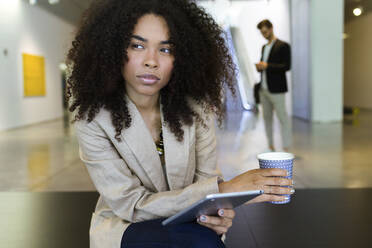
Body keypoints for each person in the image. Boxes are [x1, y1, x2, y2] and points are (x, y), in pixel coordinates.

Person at [66, 1, 294, 247]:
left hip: (190, 223)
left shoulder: (197, 109)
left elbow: (207, 183)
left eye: (165, 49)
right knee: (199, 241)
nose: (151, 61)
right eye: (137, 45)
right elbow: (131, 206)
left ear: (181, 57)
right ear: (111, 50)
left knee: (203, 237)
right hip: (126, 225)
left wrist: (218, 214)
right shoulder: (94, 118)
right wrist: (223, 190)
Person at [255, 19, 292, 152]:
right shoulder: (264, 47)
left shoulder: (283, 46)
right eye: (262, 33)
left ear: (271, 28)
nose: (264, 34)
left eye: (265, 31)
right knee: (267, 118)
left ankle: (286, 147)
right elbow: (265, 66)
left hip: (277, 89)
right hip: (263, 88)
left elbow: (287, 66)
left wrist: (267, 66)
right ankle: (270, 146)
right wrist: (260, 67)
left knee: (283, 117)